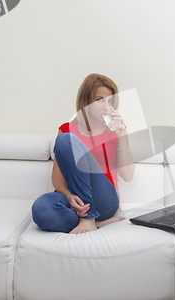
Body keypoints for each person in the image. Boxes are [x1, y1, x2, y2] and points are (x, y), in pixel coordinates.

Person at [32, 74, 135, 234]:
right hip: (73, 200)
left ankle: (89, 218)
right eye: (99, 99)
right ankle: (95, 224)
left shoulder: (117, 130)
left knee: (67, 140)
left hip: (104, 200)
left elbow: (128, 175)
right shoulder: (66, 129)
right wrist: (68, 195)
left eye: (110, 101)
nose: (106, 106)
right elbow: (57, 178)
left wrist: (121, 136)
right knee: (41, 209)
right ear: (85, 101)